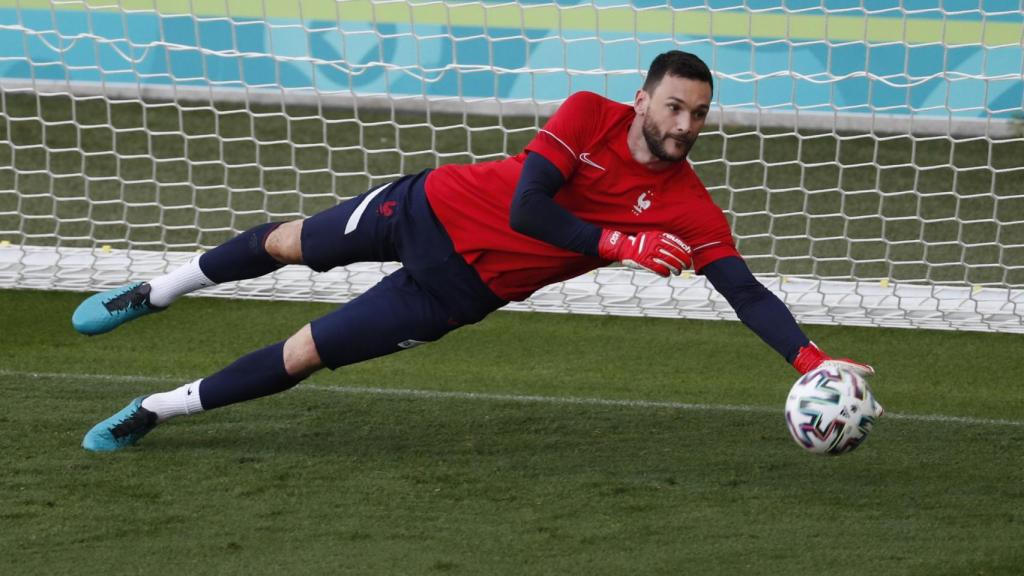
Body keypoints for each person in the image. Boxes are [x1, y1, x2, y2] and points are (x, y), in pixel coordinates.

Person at [73, 50, 873, 452]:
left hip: (455, 292)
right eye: (675, 106)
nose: (686, 124)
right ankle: (159, 289)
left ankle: (153, 410)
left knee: (305, 353)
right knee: (287, 242)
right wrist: (615, 239)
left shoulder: (689, 206)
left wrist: (811, 362)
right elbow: (530, 204)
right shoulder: (589, 112)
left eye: (700, 113)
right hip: (426, 208)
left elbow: (743, 290)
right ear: (642, 98)